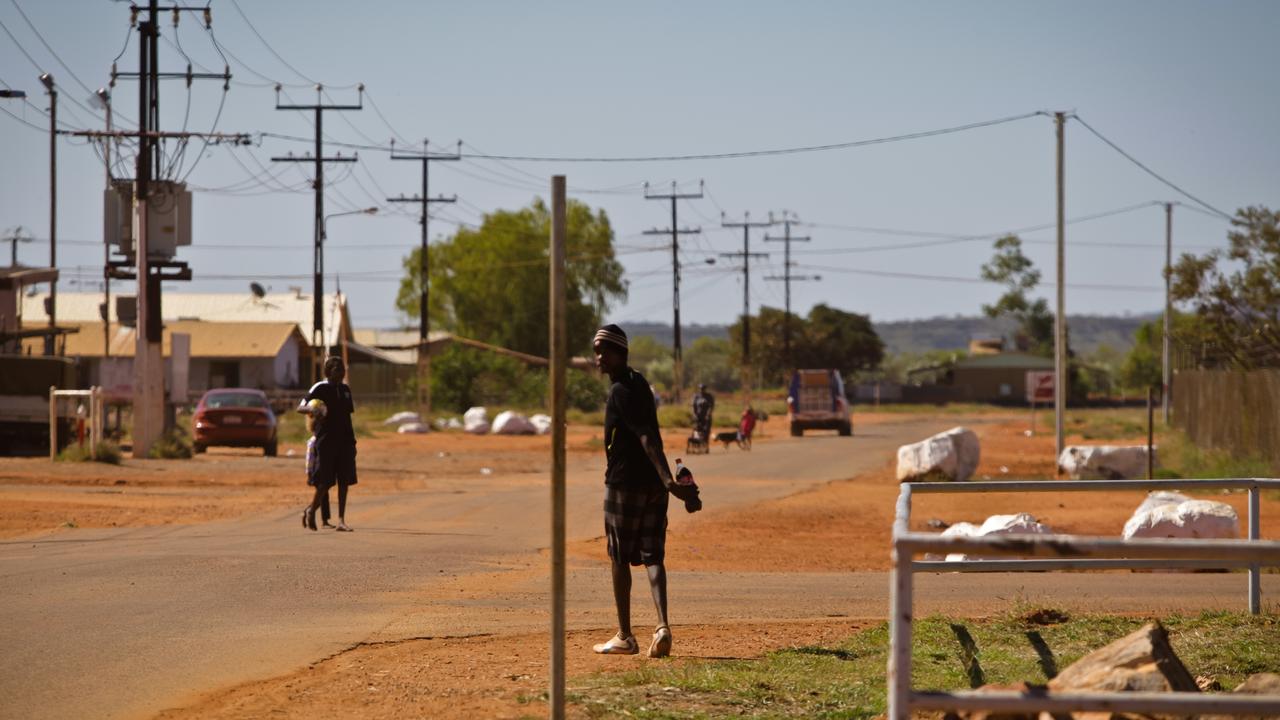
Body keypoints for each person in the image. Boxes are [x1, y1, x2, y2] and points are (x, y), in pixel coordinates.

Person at [591, 324, 701, 658]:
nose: (598, 358)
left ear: (620, 353)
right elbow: (651, 434)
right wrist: (665, 479)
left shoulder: (621, 391)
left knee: (619, 556)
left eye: (604, 351)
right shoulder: (641, 384)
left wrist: (669, 480)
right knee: (654, 556)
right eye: (596, 351)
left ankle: (625, 635)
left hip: (626, 484)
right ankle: (662, 626)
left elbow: (644, 436)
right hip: (654, 485)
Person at [298, 356, 357, 532]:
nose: (340, 372)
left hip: (345, 441)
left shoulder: (346, 390)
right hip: (326, 441)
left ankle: (341, 520)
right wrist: (313, 409)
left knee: (344, 481)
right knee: (325, 482)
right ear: (328, 371)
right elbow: (300, 407)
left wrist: (352, 442)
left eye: (342, 369)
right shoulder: (320, 388)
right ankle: (310, 510)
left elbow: (348, 417)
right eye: (336, 369)